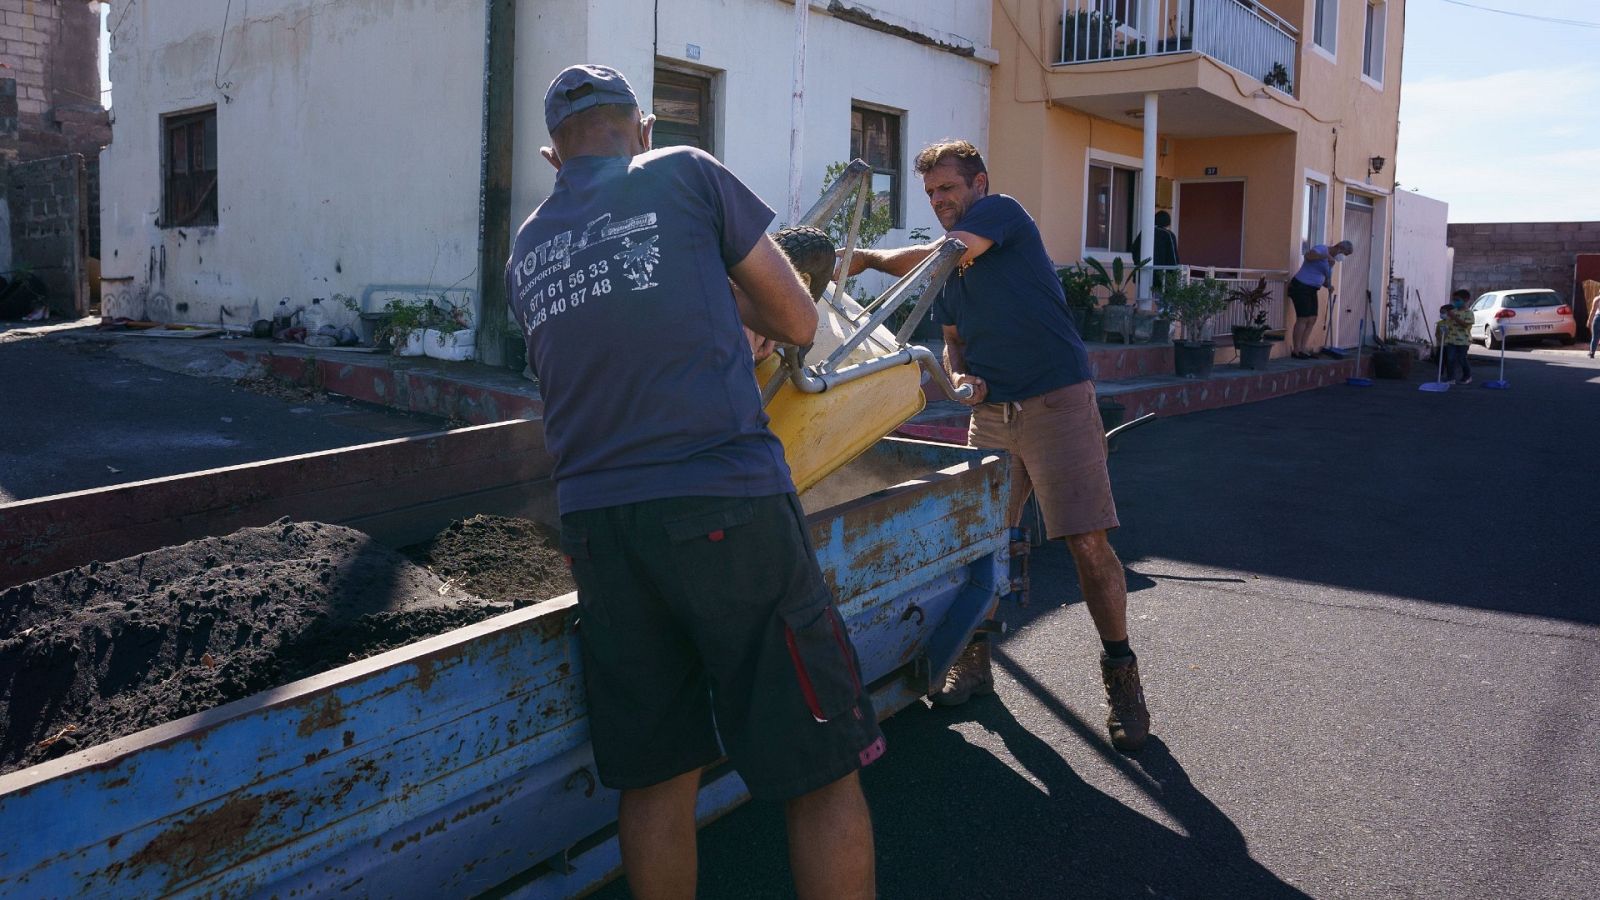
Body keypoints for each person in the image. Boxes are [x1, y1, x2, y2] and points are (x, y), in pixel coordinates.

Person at [507, 65, 881, 900]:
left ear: (552, 154)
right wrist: (731, 308)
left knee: (657, 778)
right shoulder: (685, 170)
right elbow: (796, 320)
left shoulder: (527, 248)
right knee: (819, 764)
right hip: (723, 507)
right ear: (640, 128)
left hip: (601, 534)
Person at [843, 140, 1151, 753]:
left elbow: (938, 258)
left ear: (979, 184)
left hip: (1057, 402)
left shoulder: (1003, 215)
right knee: (979, 543)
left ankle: (1122, 679)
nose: (939, 203)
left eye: (948, 190)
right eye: (931, 194)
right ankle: (975, 663)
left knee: (1087, 542)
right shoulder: (952, 272)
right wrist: (961, 379)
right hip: (992, 414)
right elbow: (954, 340)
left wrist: (866, 259)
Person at [1287, 239, 1353, 359]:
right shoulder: (1322, 249)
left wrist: (1328, 285)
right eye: (1344, 254)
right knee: (1303, 318)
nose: (1343, 257)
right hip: (1300, 286)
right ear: (1339, 248)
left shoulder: (1332, 262)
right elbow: (1308, 256)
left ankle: (1303, 347)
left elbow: (1322, 276)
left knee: (1312, 318)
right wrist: (1325, 256)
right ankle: (1296, 350)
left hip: (1312, 289)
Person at [1440, 289, 1473, 384]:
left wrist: (1454, 317)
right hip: (1451, 340)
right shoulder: (1452, 311)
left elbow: (1465, 325)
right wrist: (1444, 314)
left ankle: (1467, 376)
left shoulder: (1469, 313)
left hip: (1463, 341)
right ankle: (1451, 378)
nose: (1455, 302)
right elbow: (1446, 320)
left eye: (1458, 300)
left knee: (1462, 359)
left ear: (1466, 300)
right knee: (1450, 359)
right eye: (1454, 300)